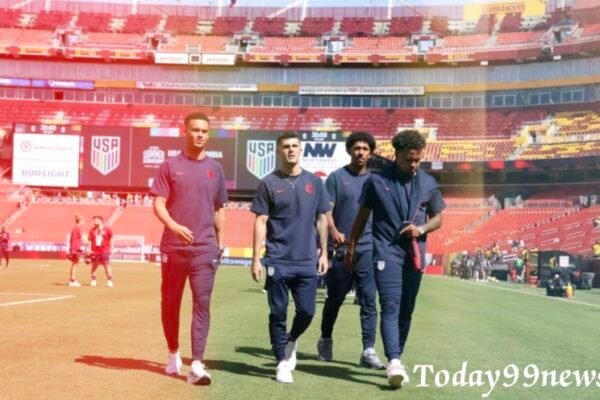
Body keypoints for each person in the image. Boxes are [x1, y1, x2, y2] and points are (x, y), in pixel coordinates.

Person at [346, 130, 445, 388]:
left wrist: (422, 229)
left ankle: (396, 354)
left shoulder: (428, 183)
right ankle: (394, 360)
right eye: (408, 159)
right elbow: (362, 216)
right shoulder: (376, 182)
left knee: (406, 310)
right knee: (389, 305)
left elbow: (438, 218)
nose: (413, 164)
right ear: (396, 155)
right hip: (386, 251)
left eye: (417, 160)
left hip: (414, 253)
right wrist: (352, 245)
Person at [151, 112, 227, 385]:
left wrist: (220, 243)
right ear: (185, 131)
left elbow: (219, 209)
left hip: (205, 248)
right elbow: (158, 203)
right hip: (173, 247)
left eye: (205, 131)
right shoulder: (170, 166)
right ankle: (173, 353)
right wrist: (174, 226)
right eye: (195, 129)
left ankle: (196, 363)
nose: (200, 134)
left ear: (208, 134)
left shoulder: (216, 169)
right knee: (170, 303)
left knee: (202, 304)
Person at [250, 132, 330, 384]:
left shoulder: (315, 183)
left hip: (307, 260)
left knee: (307, 311)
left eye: (295, 146)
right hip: (277, 259)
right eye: (286, 146)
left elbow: (321, 219)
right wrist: (255, 258)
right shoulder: (268, 183)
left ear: (301, 149)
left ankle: (291, 340)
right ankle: (281, 362)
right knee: (278, 313)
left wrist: (324, 252)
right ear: (278, 151)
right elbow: (261, 220)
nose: (291, 150)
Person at [316, 132, 384, 369]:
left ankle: (368, 350)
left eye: (365, 148)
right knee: (335, 299)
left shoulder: (377, 181)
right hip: (342, 250)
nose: (361, 152)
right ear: (349, 150)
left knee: (368, 300)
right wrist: (334, 231)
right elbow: (326, 210)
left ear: (371, 152)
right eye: (357, 148)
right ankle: (325, 338)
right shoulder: (336, 178)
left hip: (368, 249)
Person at [88, 215, 113, 288]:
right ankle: (93, 280)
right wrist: (89, 249)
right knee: (94, 266)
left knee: (106, 265)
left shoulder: (107, 229)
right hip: (95, 251)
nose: (94, 222)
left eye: (95, 220)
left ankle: (109, 281)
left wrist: (111, 248)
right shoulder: (92, 230)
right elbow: (89, 240)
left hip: (104, 250)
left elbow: (111, 238)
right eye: (94, 220)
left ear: (100, 221)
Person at [67, 213, 84, 287]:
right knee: (75, 264)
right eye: (83, 221)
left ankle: (73, 279)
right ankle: (72, 280)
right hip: (75, 249)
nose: (84, 222)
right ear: (80, 221)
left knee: (75, 264)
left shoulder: (77, 229)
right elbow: (73, 239)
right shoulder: (76, 229)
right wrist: (73, 250)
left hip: (77, 249)